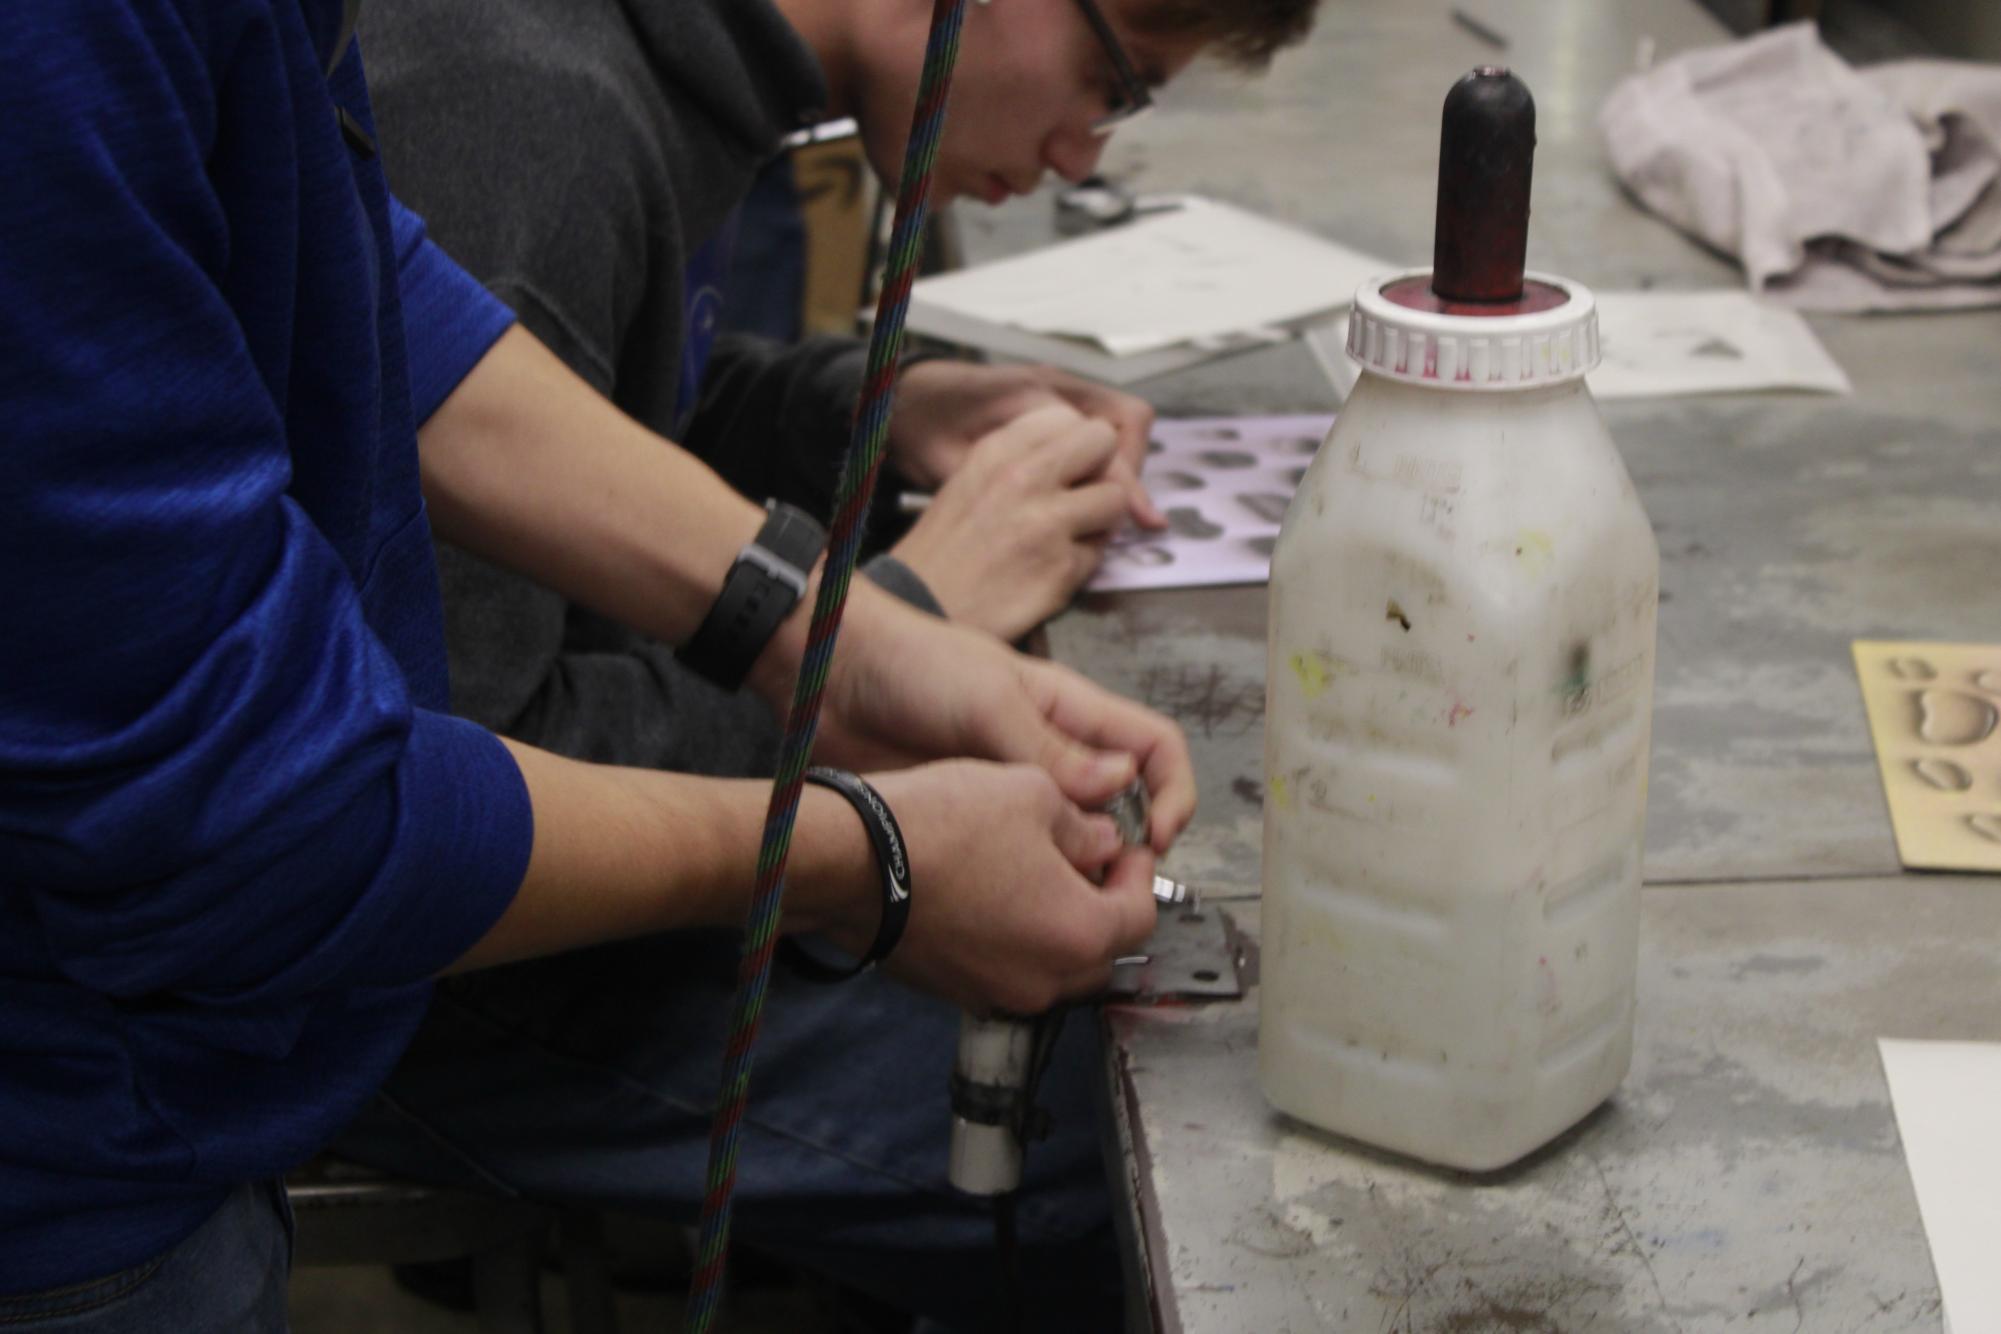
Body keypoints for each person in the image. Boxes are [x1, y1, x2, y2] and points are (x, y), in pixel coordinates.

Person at [0, 3, 1195, 1331]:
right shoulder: (497, 99)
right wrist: (863, 843)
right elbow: (276, 816)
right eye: (1111, 79)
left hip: (255, 981)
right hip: (107, 1134)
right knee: (1101, 1155)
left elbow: (367, 294)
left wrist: (847, 645)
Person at [338, 0, 1316, 1327]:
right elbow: (455, 773)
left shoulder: (667, 61)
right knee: (1164, 1163)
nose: (1083, 156)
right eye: (1110, 81)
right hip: (419, 985)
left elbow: (583, 396)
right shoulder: (534, 114)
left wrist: (861, 409)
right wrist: (906, 618)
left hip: (486, 866)